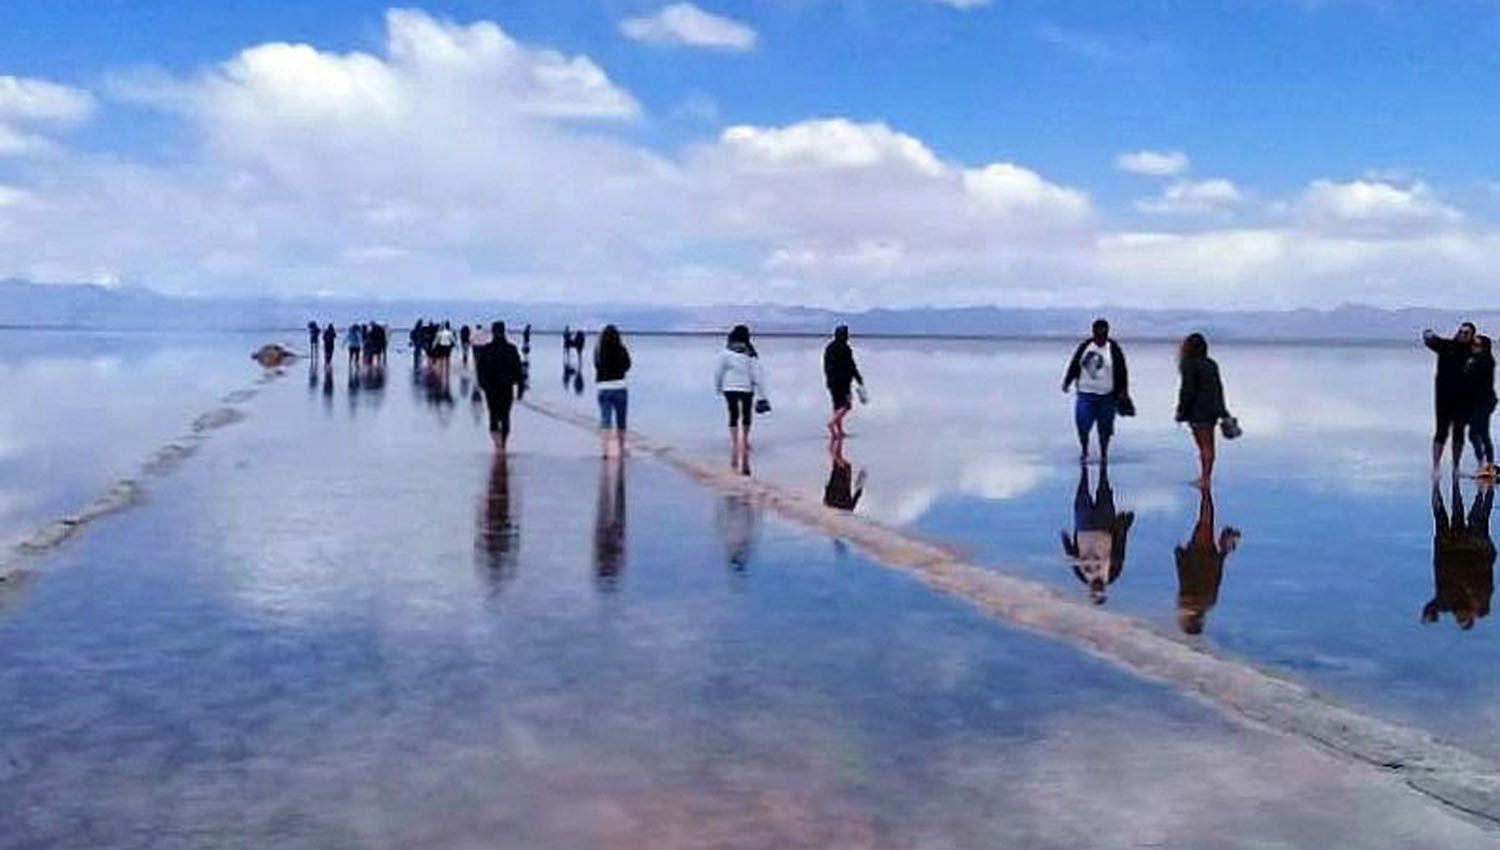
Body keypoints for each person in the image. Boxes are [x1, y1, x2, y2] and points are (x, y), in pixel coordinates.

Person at [1423, 478, 1495, 630]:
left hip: (1447, 549)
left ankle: (1437, 486)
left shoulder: (1446, 603)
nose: (1460, 616)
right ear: (1470, 614)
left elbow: (1433, 606)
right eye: (1464, 618)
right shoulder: (1477, 597)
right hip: (1461, 548)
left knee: (1443, 514)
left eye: (1459, 619)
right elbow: (1484, 576)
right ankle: (1457, 485)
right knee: (1457, 512)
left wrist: (1429, 615)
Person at [1059, 462, 1134, 605]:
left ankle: (1084, 467)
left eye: (1094, 592)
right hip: (1104, 525)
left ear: (1090, 592)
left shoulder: (1082, 577)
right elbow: (1120, 549)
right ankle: (1103, 466)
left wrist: (1066, 542)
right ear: (1105, 591)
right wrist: (1123, 527)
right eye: (1099, 592)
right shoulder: (1112, 574)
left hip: (1084, 527)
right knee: (1104, 488)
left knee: (1082, 490)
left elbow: (1073, 558)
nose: (1096, 589)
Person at [1175, 484, 1242, 635]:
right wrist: (1180, 555)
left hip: (1206, 557)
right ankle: (1205, 492)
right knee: (1205, 522)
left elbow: (1216, 576)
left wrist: (1222, 554)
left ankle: (1206, 493)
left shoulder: (1208, 602)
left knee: (1205, 522)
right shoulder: (1189, 601)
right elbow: (1185, 576)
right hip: (1197, 556)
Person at [1062, 318, 1131, 463]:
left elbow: (1122, 371)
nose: (1100, 335)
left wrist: (1123, 392)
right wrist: (1067, 381)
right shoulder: (1086, 346)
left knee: (1105, 426)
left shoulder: (1113, 348)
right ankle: (1085, 449)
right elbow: (1075, 364)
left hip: (1107, 395)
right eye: (1098, 332)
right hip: (1085, 393)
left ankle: (1104, 453)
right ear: (1093, 332)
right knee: (1082, 422)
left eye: (1103, 332)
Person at [1175, 332, 1229, 489]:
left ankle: (1205, 479)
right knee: (1209, 446)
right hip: (1211, 409)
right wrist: (1222, 410)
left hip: (1197, 410)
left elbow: (1187, 390)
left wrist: (1181, 411)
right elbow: (1218, 388)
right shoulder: (1211, 364)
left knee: (1203, 447)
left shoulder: (1188, 365)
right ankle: (1206, 477)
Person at [1424, 322, 1479, 475]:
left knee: (1459, 432)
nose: (1462, 334)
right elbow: (1429, 339)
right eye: (1461, 331)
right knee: (1441, 431)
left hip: (1464, 399)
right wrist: (1428, 333)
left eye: (1466, 333)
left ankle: (1456, 466)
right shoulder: (1446, 346)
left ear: (1471, 336)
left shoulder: (1474, 353)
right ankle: (1436, 467)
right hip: (1443, 397)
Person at [715, 324, 766, 474]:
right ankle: (745, 441)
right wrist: (761, 393)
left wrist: (718, 387)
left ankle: (735, 443)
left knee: (733, 414)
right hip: (746, 387)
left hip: (729, 387)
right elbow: (757, 374)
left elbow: (718, 372)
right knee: (746, 415)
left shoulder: (725, 353)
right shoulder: (750, 354)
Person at [474, 321, 525, 451]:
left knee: (493, 415)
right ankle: (503, 444)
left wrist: (482, 384)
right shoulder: (511, 349)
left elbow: (480, 369)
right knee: (505, 415)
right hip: (506, 387)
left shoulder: (487, 349)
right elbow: (518, 370)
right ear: (504, 331)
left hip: (491, 388)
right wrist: (520, 388)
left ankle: (498, 445)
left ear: (492, 332)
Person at [594, 325, 631, 457]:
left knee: (606, 421)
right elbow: (628, 366)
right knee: (621, 421)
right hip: (620, 388)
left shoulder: (598, 350)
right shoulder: (621, 349)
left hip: (603, 388)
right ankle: (621, 449)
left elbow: (596, 365)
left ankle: (605, 451)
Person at [823, 325, 865, 439]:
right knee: (846, 406)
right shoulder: (845, 349)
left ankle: (839, 431)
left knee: (837, 406)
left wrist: (828, 378)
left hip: (831, 381)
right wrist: (859, 378)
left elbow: (826, 366)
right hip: (843, 382)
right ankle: (832, 424)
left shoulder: (829, 347)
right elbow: (851, 366)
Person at [1468, 335, 1497, 480]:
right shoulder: (1474, 361)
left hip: (1484, 402)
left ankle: (1488, 466)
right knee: (1476, 434)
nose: (1473, 347)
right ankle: (1485, 464)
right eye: (1473, 344)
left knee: (1479, 433)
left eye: (1477, 345)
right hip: (1476, 402)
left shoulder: (1486, 362)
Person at [823, 437, 867, 512]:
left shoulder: (848, 508)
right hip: (838, 485)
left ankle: (835, 442)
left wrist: (861, 480)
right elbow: (826, 499)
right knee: (838, 460)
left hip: (840, 483)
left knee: (840, 461)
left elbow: (857, 495)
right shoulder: (845, 508)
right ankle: (836, 440)